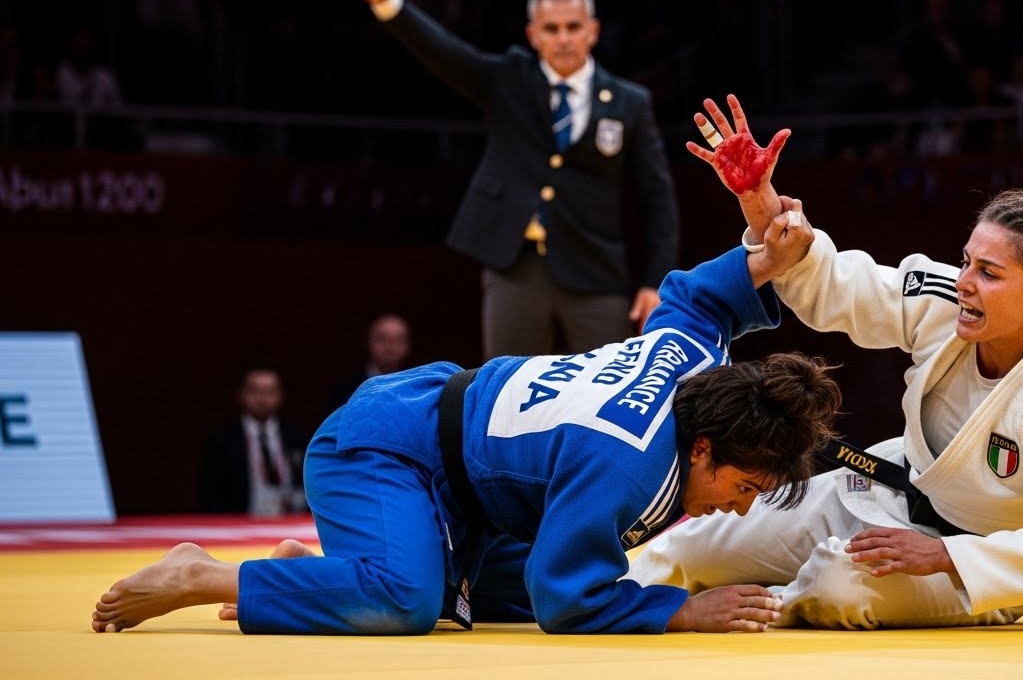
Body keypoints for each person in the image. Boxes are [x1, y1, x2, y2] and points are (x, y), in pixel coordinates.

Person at [91, 222, 842, 636]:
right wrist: (681, 612)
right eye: (743, 487)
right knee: (407, 604)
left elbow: (695, 298)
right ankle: (201, 574)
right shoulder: (628, 466)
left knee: (497, 602)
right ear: (702, 447)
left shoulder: (692, 365)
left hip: (460, 478)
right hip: (384, 447)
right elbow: (564, 599)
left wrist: (762, 256)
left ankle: (319, 571)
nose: (740, 507)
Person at [627, 94, 1023, 629]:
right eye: (967, 260)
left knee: (838, 585)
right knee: (692, 548)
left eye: (989, 273)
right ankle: (599, 604)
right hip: (884, 493)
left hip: (973, 563)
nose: (965, 282)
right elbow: (842, 289)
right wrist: (762, 206)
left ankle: (758, 609)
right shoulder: (947, 303)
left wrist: (944, 557)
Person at [338, 0, 680, 359]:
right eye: (551, 29)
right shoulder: (510, 79)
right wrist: (387, 1)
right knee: (506, 394)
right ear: (533, 35)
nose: (563, 38)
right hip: (515, 266)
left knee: (606, 396)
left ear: (593, 30)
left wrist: (656, 282)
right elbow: (445, 54)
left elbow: (656, 198)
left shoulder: (630, 101)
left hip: (597, 271)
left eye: (573, 27)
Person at [198, 366, 309, 517]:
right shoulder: (221, 441)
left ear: (281, 396)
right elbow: (209, 495)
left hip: (290, 523)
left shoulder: (298, 437)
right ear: (241, 394)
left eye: (270, 391)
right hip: (239, 524)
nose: (262, 398)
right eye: (254, 391)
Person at [325, 313, 412, 413]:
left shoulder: (417, 391)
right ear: (369, 342)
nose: (390, 347)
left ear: (408, 345)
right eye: (382, 339)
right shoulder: (344, 390)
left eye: (398, 340)